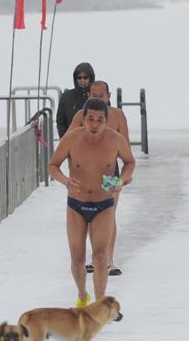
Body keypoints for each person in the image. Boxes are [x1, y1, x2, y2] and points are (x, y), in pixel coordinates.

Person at [49, 98, 136, 307]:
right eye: (90, 119)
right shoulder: (71, 139)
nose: (95, 124)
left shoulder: (115, 140)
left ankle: (99, 304)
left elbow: (130, 162)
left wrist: (121, 180)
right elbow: (53, 165)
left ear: (106, 121)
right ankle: (82, 296)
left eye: (100, 120)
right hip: (76, 204)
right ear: (83, 119)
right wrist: (66, 181)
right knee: (77, 258)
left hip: (104, 203)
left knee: (100, 257)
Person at [68, 81, 130, 276]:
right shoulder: (81, 116)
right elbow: (68, 143)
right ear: (88, 95)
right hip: (85, 173)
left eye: (101, 95)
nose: (97, 98)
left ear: (109, 95)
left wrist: (125, 176)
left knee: (108, 214)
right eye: (93, 95)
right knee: (87, 216)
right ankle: (95, 258)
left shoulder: (118, 115)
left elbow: (125, 146)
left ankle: (107, 260)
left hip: (110, 173)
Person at [56, 62, 95, 138]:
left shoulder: (98, 96)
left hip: (96, 141)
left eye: (85, 77)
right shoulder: (66, 97)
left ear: (91, 78)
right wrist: (65, 140)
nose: (82, 80)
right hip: (73, 141)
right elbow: (61, 122)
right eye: (79, 78)